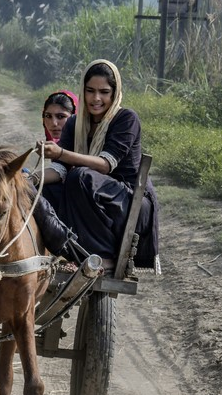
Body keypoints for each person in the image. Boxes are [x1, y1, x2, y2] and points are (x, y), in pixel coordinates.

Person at [31, 60, 160, 269]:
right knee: (42, 190)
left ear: (114, 93)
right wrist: (31, 179)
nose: (96, 98)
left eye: (104, 92)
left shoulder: (126, 119)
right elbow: (60, 168)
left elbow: (105, 165)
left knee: (80, 176)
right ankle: (64, 251)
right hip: (91, 195)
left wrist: (62, 153)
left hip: (128, 202)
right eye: (90, 91)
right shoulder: (75, 123)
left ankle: (103, 257)